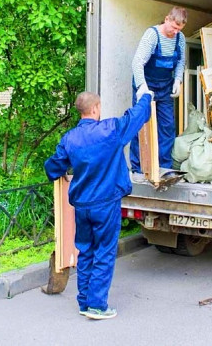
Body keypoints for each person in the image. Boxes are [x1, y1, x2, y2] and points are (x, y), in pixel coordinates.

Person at [44, 91, 153, 320]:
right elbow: (137, 116)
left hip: (82, 206)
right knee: (104, 251)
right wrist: (145, 96)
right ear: (95, 109)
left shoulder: (70, 139)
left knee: (86, 251)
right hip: (105, 204)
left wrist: (62, 171)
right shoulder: (110, 131)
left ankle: (84, 302)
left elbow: (52, 167)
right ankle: (97, 306)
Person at [129, 6, 187, 175]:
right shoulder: (152, 35)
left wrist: (178, 80)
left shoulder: (179, 38)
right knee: (140, 125)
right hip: (146, 85)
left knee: (167, 126)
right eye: (174, 27)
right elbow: (137, 62)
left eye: (179, 29)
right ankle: (138, 169)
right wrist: (142, 87)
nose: (175, 32)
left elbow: (181, 61)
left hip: (165, 86)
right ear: (167, 19)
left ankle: (164, 167)